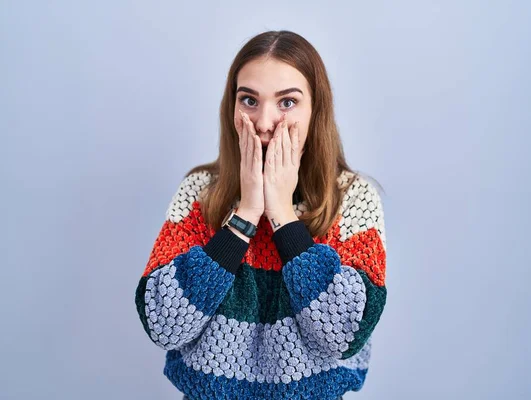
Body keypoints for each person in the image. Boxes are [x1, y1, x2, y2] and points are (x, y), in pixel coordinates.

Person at [134, 30, 388, 400]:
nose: (265, 121)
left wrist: (283, 215)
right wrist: (246, 212)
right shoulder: (199, 192)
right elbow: (163, 324)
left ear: (315, 110)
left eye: (287, 103)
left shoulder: (354, 198)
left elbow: (344, 333)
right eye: (249, 100)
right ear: (231, 108)